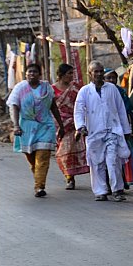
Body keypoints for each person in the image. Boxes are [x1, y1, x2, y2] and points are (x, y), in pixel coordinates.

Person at [74, 60, 132, 202]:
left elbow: (121, 110)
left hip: (112, 130)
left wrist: (126, 130)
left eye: (101, 71)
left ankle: (117, 190)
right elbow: (79, 110)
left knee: (113, 161)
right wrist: (80, 126)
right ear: (90, 74)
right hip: (94, 132)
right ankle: (101, 191)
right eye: (96, 72)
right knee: (96, 163)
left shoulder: (112, 89)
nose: (99, 74)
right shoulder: (84, 91)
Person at [7, 62, 64, 197]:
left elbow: (53, 107)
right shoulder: (20, 88)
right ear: (26, 74)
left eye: (34, 72)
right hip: (26, 127)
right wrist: (16, 125)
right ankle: (39, 178)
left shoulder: (46, 88)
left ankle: (39, 187)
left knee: (43, 157)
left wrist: (61, 125)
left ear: (40, 74)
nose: (31, 74)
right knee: (32, 159)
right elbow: (14, 106)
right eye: (29, 72)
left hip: (45, 126)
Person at [51, 62, 90, 190]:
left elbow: (82, 103)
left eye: (72, 73)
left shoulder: (76, 88)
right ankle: (69, 177)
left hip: (74, 123)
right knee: (63, 152)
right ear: (61, 75)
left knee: (73, 150)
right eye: (69, 73)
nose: (71, 76)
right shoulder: (52, 89)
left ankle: (71, 178)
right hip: (60, 124)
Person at [104, 69, 133, 188]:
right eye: (108, 78)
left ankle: (123, 180)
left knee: (122, 157)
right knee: (107, 159)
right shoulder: (99, 92)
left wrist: (130, 130)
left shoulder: (121, 92)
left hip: (121, 128)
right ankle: (108, 184)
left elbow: (128, 110)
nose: (112, 80)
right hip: (104, 130)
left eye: (114, 78)